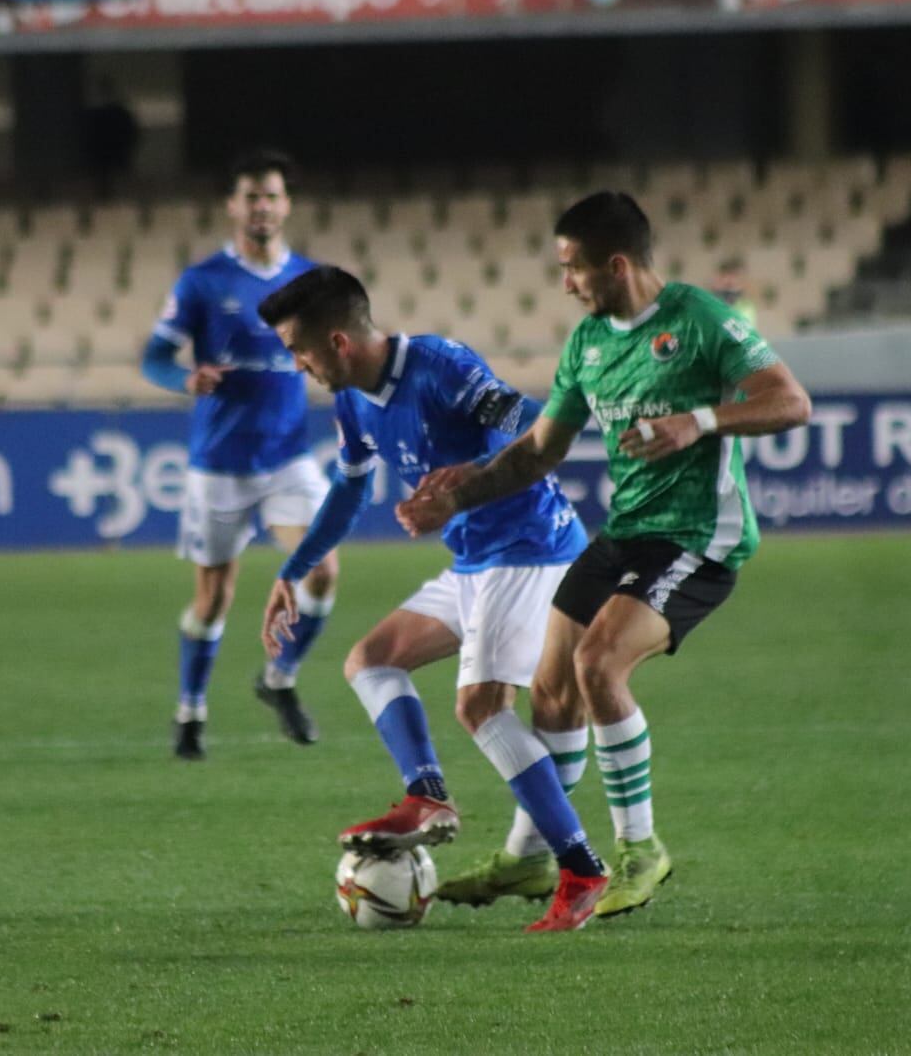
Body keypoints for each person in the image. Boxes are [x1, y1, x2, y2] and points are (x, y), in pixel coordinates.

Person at [398, 192, 811, 919]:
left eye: (573, 268)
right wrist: (455, 497)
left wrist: (701, 421)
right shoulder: (588, 342)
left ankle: (640, 851)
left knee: (598, 666)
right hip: (621, 532)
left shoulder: (701, 320)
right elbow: (537, 452)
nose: (566, 284)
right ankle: (530, 858)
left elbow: (790, 402)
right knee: (550, 687)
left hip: (695, 539)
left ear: (615, 265)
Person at [256, 266, 610, 933]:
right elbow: (351, 488)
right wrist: (295, 567)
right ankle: (427, 796)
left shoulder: (440, 365)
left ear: (337, 341)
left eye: (298, 350)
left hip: (530, 549)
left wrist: (474, 473)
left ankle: (583, 868)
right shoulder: (354, 400)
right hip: (476, 560)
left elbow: (536, 423)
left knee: (480, 707)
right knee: (370, 660)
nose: (297, 364)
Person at [140, 149, 336, 761]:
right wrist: (184, 380)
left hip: (287, 459)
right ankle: (190, 710)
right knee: (214, 598)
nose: (262, 207)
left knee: (322, 572)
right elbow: (153, 357)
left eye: (272, 196)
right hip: (219, 465)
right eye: (251, 197)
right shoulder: (202, 282)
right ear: (233, 206)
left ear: (287, 206)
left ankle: (279, 678)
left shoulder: (310, 281)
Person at [710, 256, 758, 326]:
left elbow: (748, 331)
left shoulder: (747, 307)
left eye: (735, 276)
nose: (730, 280)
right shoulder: (709, 303)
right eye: (724, 276)